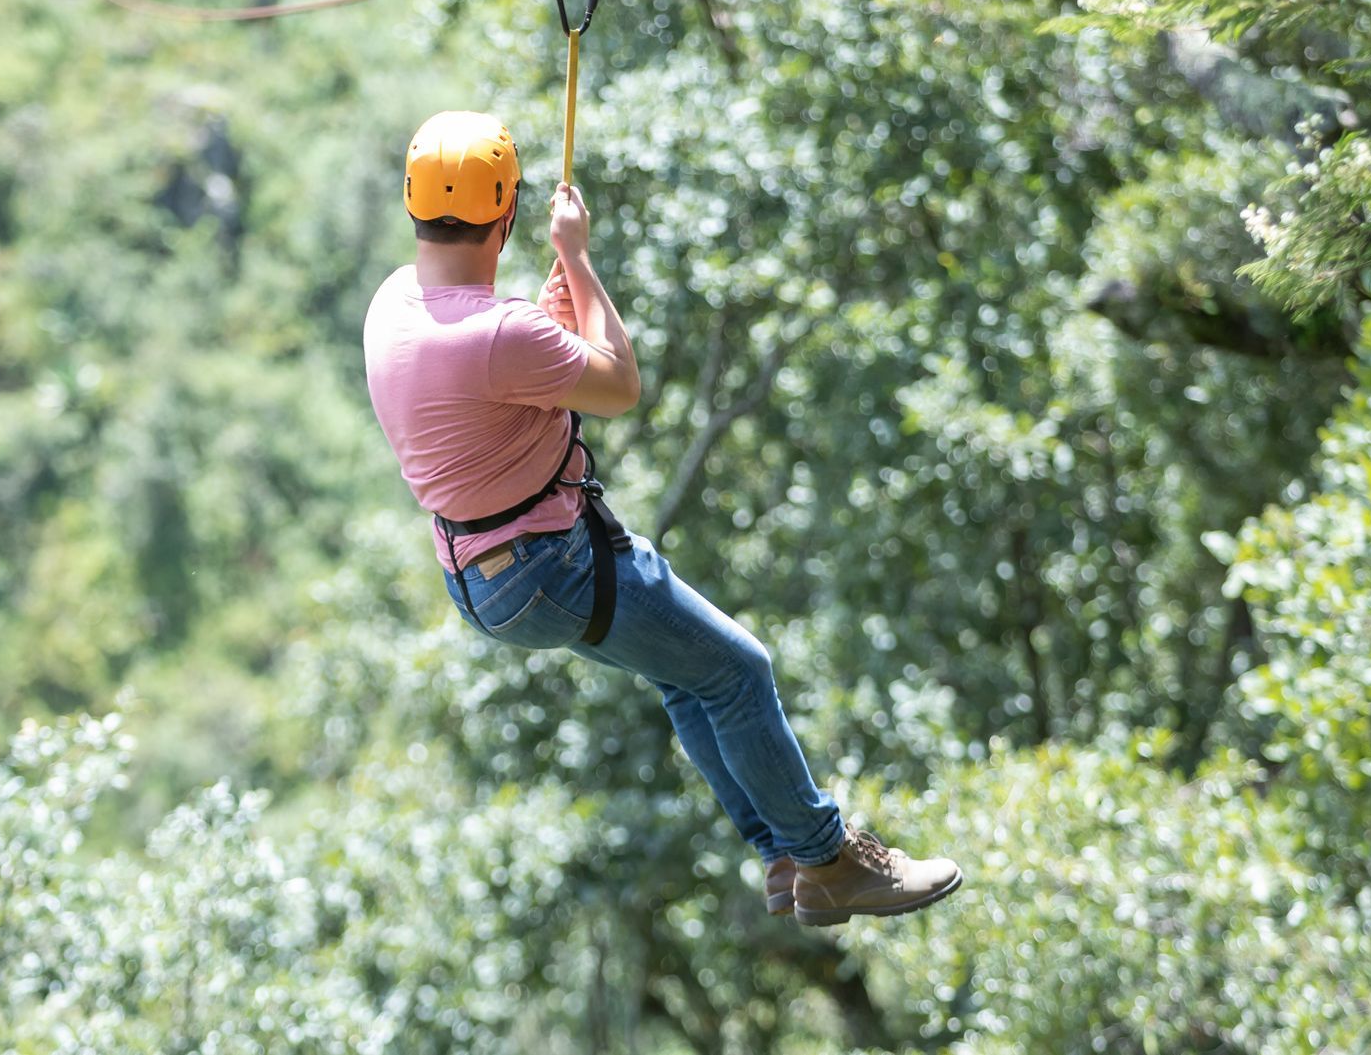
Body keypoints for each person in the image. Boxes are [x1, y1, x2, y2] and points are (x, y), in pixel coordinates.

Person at [362, 110, 962, 925]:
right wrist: (575, 256)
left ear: (412, 206)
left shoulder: (394, 302)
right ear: (506, 215)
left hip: (480, 576)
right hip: (552, 569)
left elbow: (493, 371)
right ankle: (830, 859)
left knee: (690, 677)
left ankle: (785, 855)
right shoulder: (504, 333)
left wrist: (545, 318)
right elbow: (617, 384)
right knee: (740, 669)